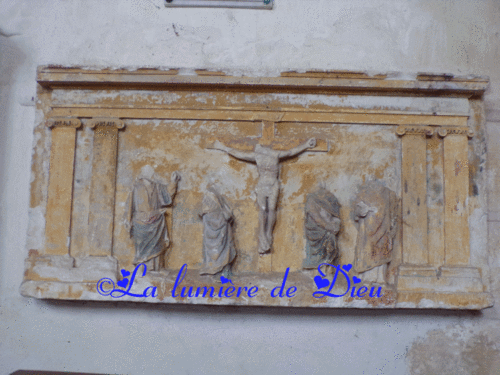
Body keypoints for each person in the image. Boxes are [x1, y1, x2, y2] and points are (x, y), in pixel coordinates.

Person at [211, 137, 316, 254]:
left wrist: (306, 145)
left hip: (272, 185)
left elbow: (291, 152)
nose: (258, 149)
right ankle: (262, 234)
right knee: (263, 209)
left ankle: (268, 233)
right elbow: (239, 154)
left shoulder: (274, 154)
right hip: (262, 185)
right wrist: (223, 147)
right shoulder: (259, 156)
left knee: (271, 209)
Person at [124, 166, 180, 271]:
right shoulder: (136, 187)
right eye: (149, 172)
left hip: (156, 221)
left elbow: (167, 194)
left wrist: (173, 182)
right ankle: (141, 269)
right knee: (141, 249)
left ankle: (156, 269)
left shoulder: (157, 187)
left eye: (151, 172)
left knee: (157, 247)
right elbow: (129, 205)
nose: (151, 174)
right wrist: (128, 220)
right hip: (140, 223)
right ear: (143, 174)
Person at [199, 188, 236, 277]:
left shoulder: (218, 215)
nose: (206, 202)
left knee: (223, 251)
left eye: (208, 200)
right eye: (206, 200)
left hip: (220, 241)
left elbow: (227, 217)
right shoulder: (209, 215)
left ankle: (221, 272)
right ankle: (216, 271)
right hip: (214, 243)